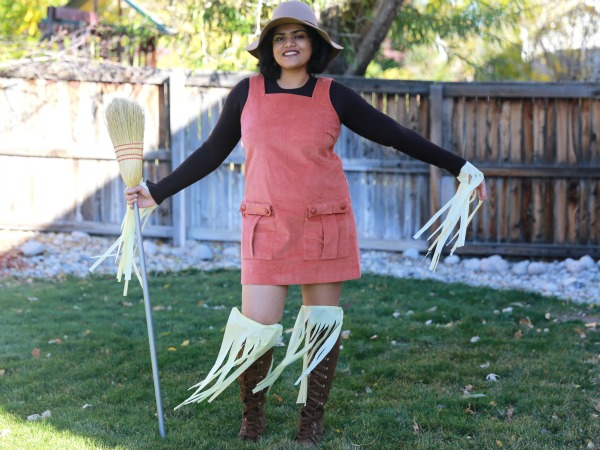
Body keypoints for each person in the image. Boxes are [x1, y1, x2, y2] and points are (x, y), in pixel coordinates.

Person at [125, 1, 487, 446]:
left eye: (298, 35)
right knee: (255, 330)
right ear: (268, 47)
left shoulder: (334, 95)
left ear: (314, 44)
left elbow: (396, 134)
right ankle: (252, 418)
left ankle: (310, 423)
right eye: (280, 36)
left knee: (320, 326)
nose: (289, 43)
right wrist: (158, 191)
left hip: (323, 225)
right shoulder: (247, 92)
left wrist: (459, 166)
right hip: (266, 226)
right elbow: (211, 152)